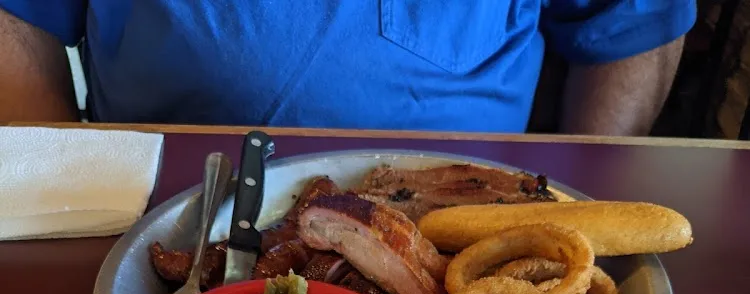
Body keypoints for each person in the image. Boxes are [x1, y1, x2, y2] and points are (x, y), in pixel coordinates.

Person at [0, 1, 694, 136]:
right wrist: (66, 192)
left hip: (471, 216)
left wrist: (584, 210)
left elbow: (633, 21)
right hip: (164, 206)